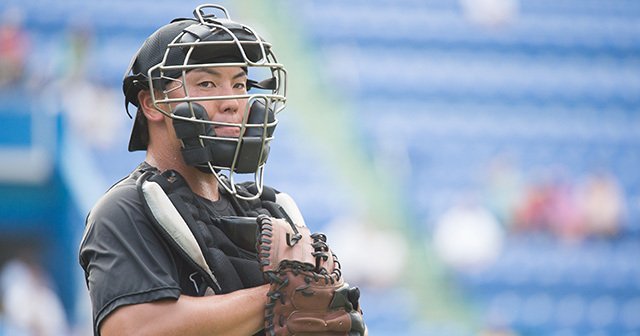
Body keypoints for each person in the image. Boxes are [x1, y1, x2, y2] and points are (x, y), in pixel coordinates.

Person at [79, 4, 364, 336]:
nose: (232, 101)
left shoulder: (273, 209)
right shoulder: (125, 209)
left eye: (240, 84)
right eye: (207, 84)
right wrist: (279, 298)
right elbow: (133, 329)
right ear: (152, 102)